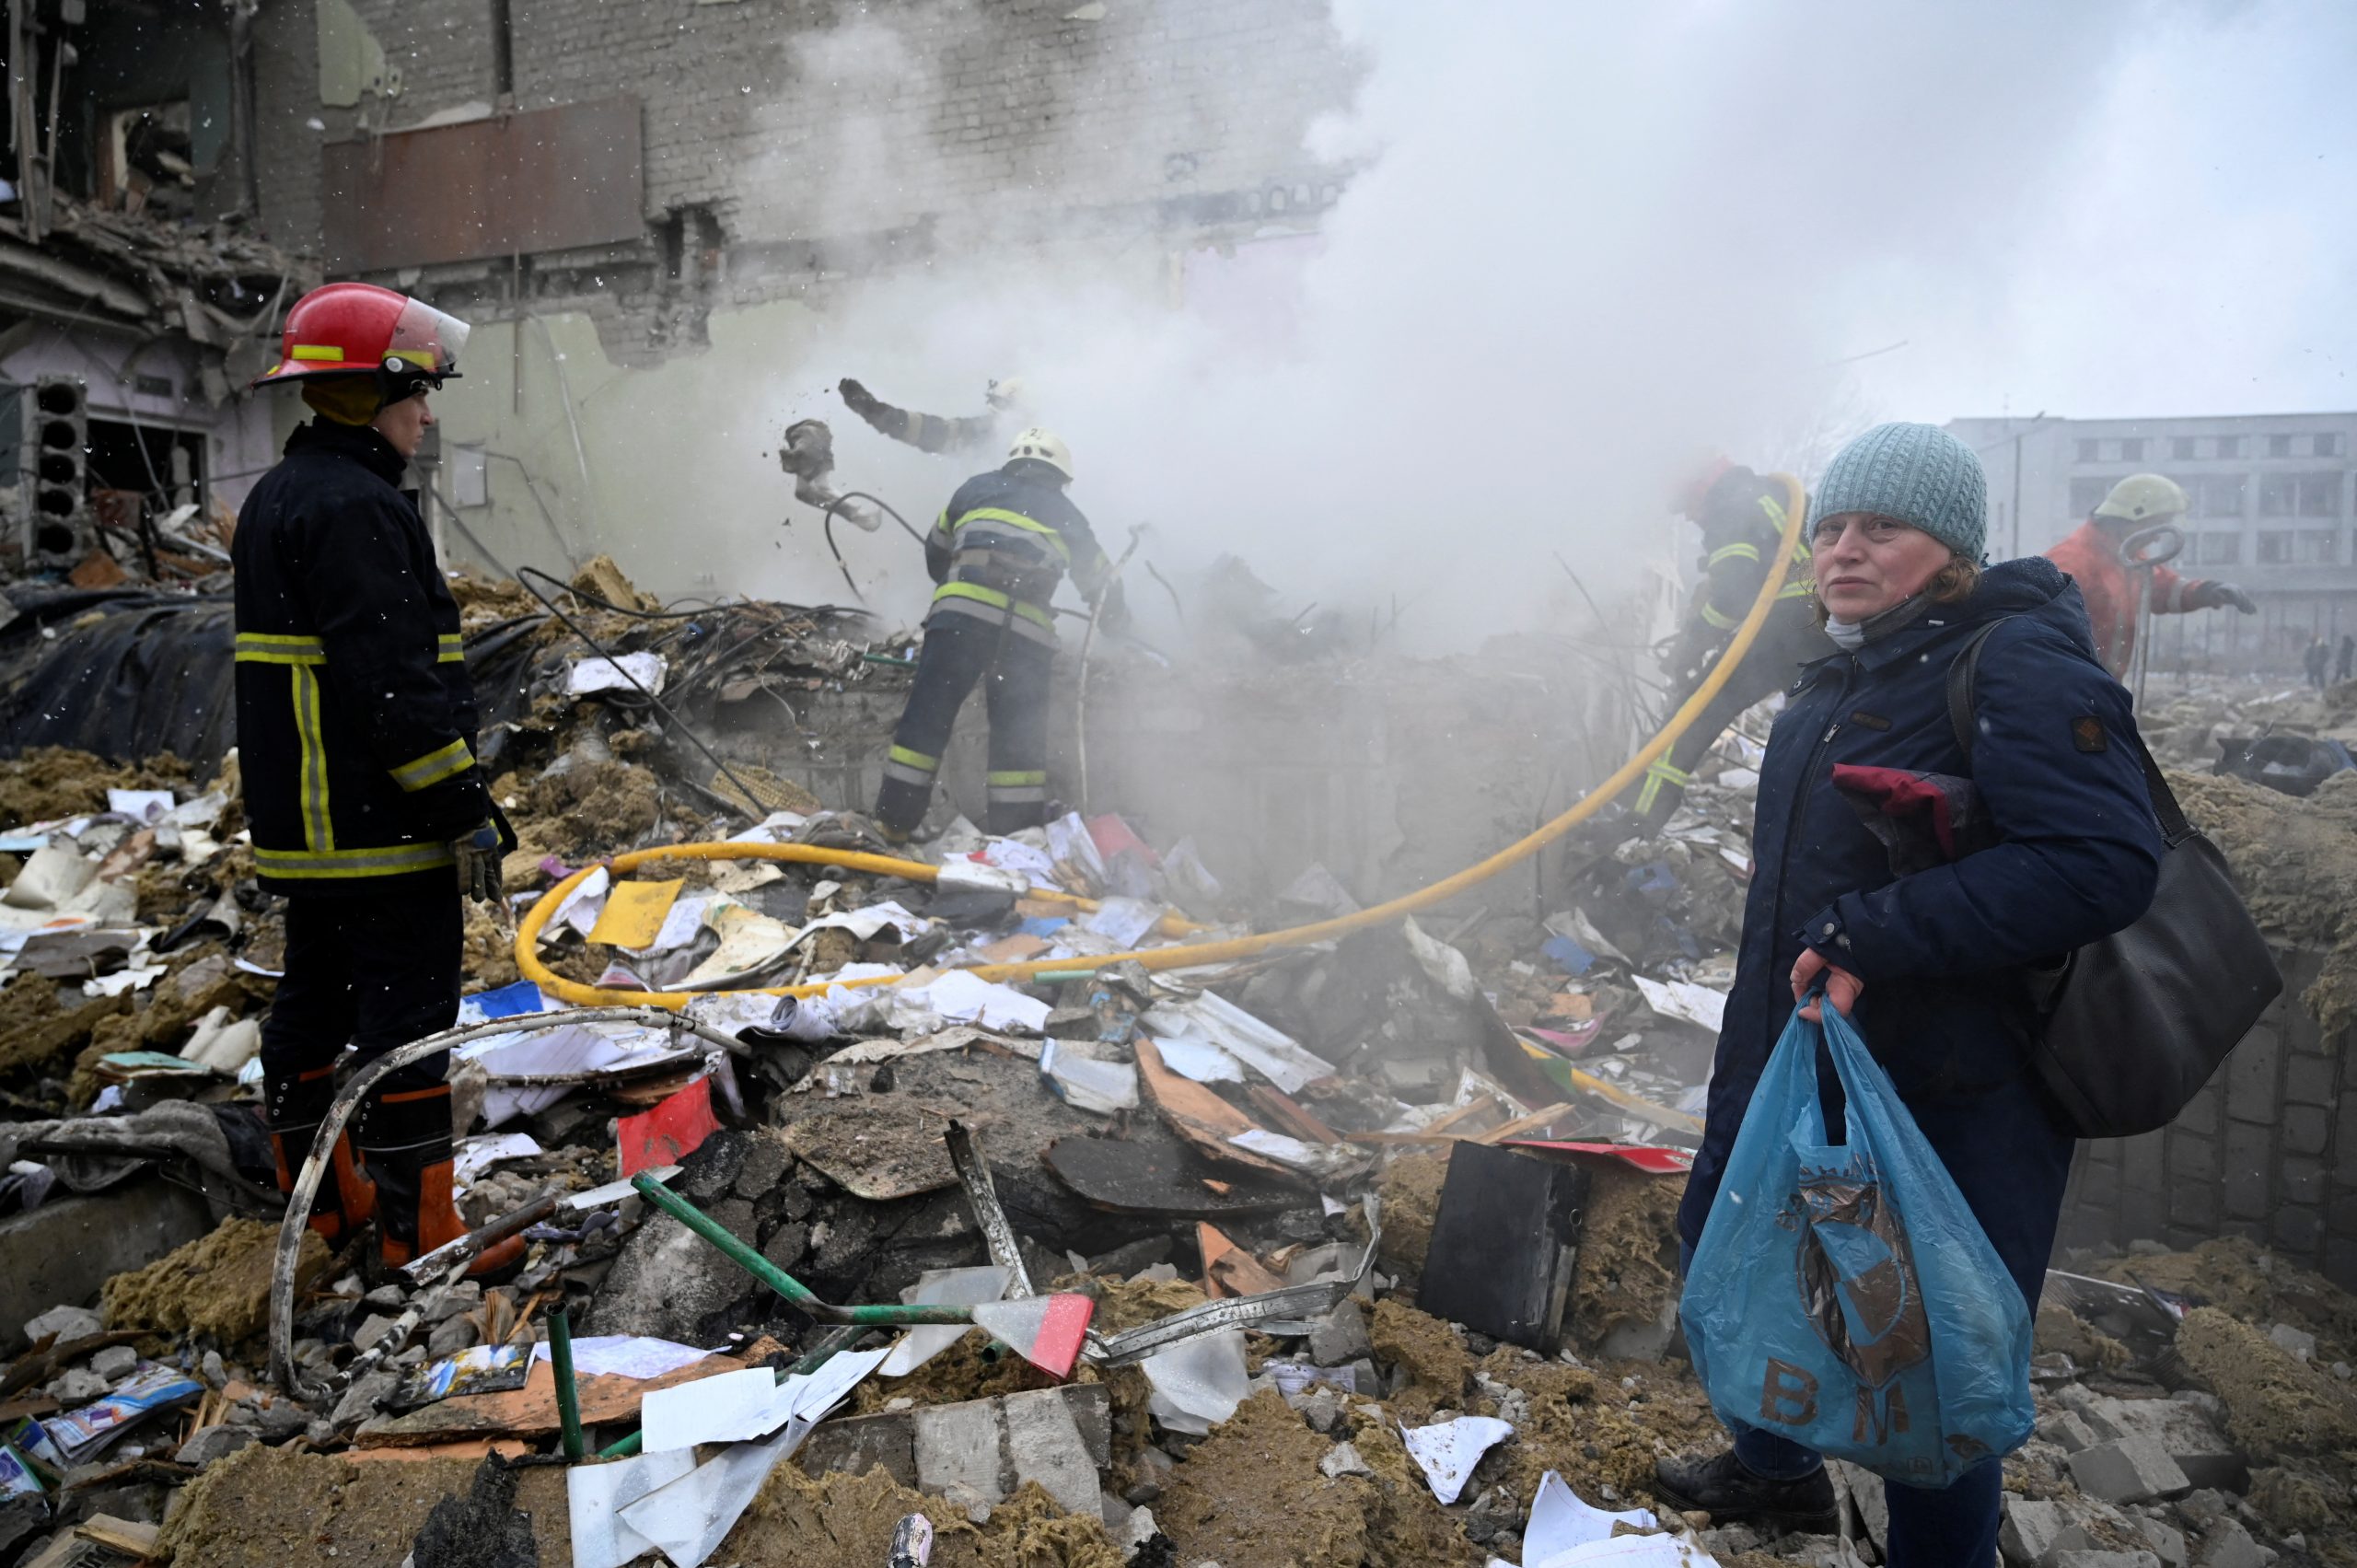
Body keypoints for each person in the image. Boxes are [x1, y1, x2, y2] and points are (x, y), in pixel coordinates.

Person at [1655, 424, 2165, 1567]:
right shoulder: (1851, 662)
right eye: (1831, 527)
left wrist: (1870, 931)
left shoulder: (2014, 661)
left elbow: (2101, 862)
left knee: (1927, 1338)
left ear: (1949, 550)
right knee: (1735, 1246)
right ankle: (1777, 1470)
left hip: (1946, 1073)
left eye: (1880, 528)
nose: (1844, 549)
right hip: (1802, 1041)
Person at [238, 281, 521, 1278]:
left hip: (308, 830)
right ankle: (420, 1234)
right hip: (377, 824)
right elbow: (394, 685)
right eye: (416, 392)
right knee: (408, 1023)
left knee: (312, 1007)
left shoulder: (283, 493)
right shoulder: (357, 507)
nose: (428, 412)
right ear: (368, 393)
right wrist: (463, 807)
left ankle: (322, 1208)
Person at [873, 428, 1123, 841]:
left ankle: (894, 823)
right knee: (1018, 735)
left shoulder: (974, 490)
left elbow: (936, 550)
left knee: (928, 718)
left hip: (957, 623)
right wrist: (1118, 621)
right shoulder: (1068, 515)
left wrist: (959, 581)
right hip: (1024, 639)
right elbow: (1103, 585)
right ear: (1060, 477)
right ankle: (1018, 837)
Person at [1633, 457, 1833, 830]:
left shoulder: (1730, 505)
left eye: (1686, 508)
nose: (1690, 519)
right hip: (1823, 631)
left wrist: (1689, 649)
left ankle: (1637, 821)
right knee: (1812, 741)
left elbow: (1730, 597)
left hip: (1785, 631)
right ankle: (1809, 832)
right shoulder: (1771, 495)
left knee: (1694, 713)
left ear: (1699, 488)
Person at [2044, 474, 2255, 678]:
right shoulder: (2071, 561)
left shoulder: (2128, 558)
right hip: (2069, 684)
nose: (2155, 538)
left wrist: (2205, 591)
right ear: (2131, 519)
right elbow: (2039, 625)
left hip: (2098, 684)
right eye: (2154, 527)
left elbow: (2161, 589)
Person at [836, 375, 1027, 457]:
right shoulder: (984, 433)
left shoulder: (988, 433)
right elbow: (931, 432)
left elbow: (934, 433)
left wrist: (875, 411)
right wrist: (878, 413)